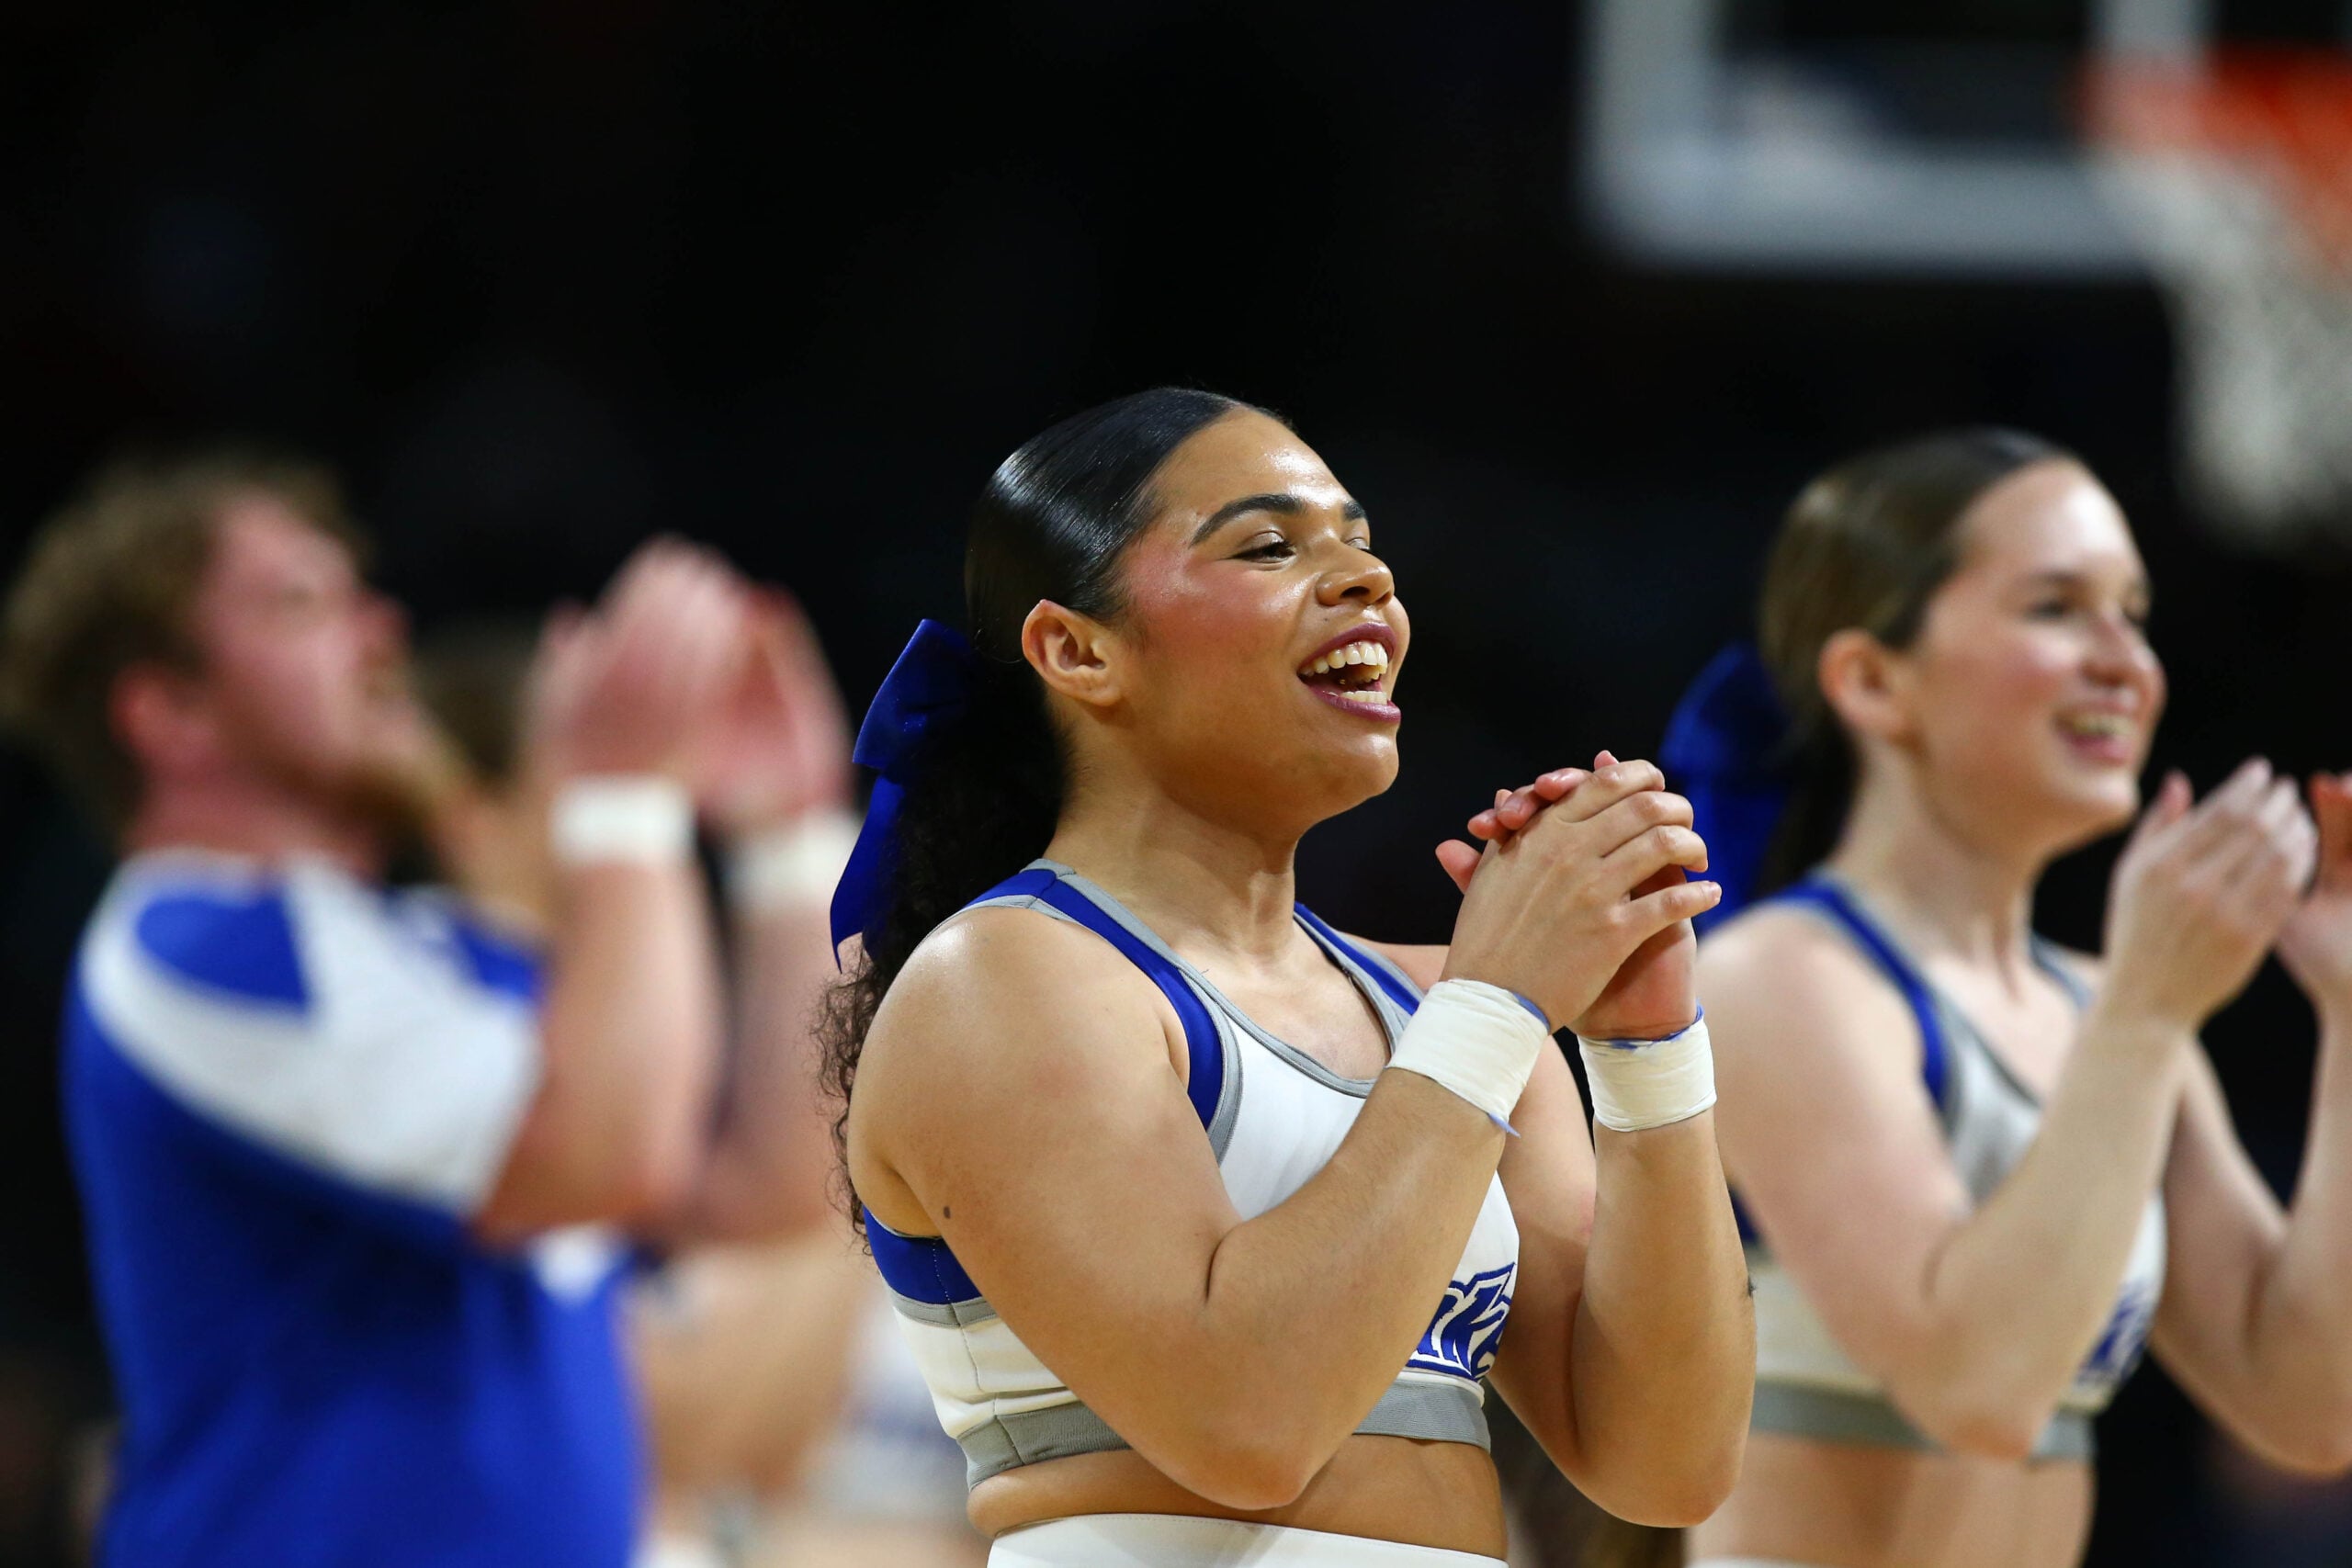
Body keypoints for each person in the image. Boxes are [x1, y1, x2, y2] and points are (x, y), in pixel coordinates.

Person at [822, 388, 1755, 1566]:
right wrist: (1499, 1003)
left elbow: (1665, 1465)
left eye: (1362, 546)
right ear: (1077, 650)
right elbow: (1245, 1426)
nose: (1366, 581)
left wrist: (1646, 1053)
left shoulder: (1433, 1004)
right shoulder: (1004, 979)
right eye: (1268, 546)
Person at [1466, 429, 2352, 1568]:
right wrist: (2143, 1015)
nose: (2123, 660)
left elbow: (2305, 1405)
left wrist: (2343, 1008)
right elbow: (1976, 1386)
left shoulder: (2106, 1005)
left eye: (2131, 613)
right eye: (2054, 608)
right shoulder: (1783, 978)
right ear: (1873, 681)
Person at [0, 451, 829, 1567]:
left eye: (360, 590)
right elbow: (607, 1158)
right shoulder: (194, 945)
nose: (381, 630)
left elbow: (762, 1185)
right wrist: (625, 804)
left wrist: (788, 839)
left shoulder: (425, 953)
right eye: (304, 604)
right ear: (173, 712)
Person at [413, 615, 986, 1568]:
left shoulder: (604, 1038)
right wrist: (896, 1150)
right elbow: (681, 1428)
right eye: (596, 751)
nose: (657, 796)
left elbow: (778, 1210)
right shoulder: (437, 1019)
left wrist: (792, 835)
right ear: (472, 822)